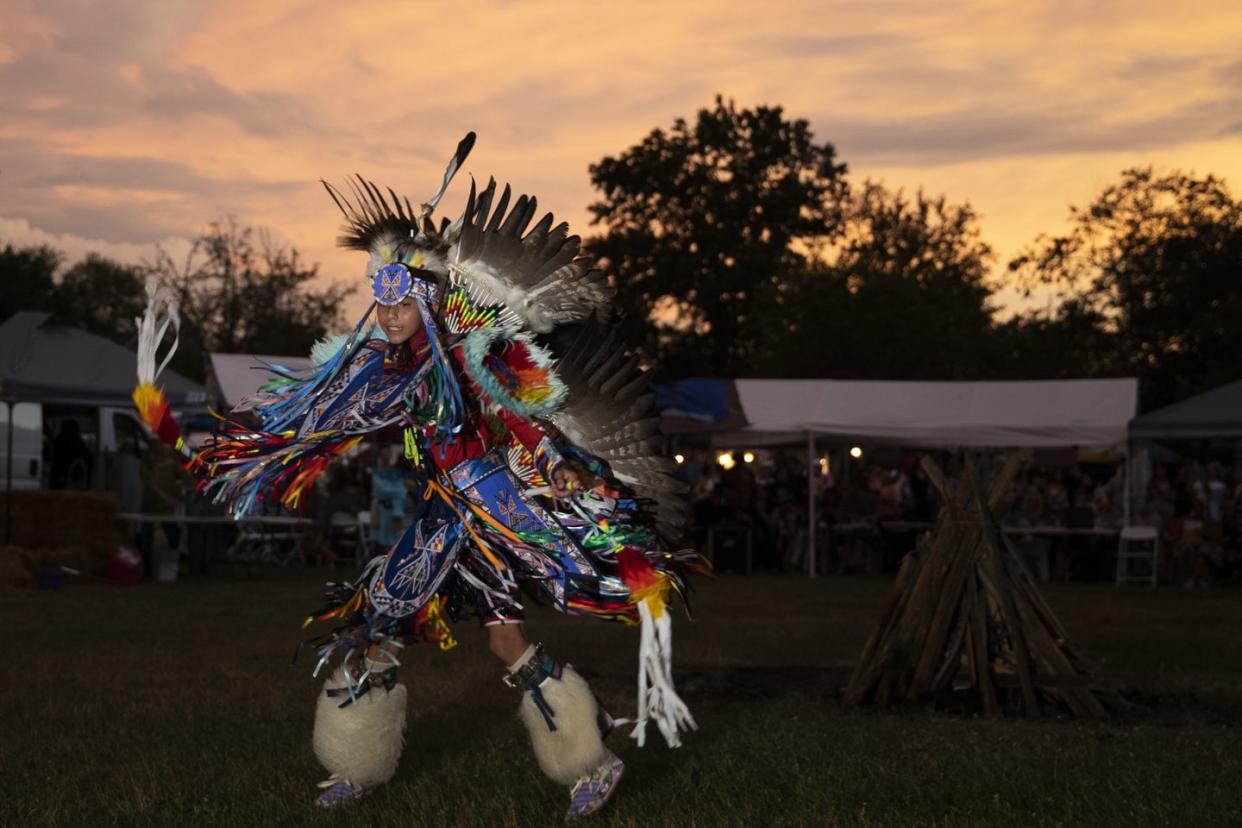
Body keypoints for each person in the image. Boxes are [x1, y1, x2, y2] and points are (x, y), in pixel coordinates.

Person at [131, 133, 702, 819]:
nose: (389, 312)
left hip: (493, 512)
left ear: (429, 298)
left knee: (447, 631)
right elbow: (303, 420)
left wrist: (567, 469)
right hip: (446, 517)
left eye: (400, 299)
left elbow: (527, 419)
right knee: (413, 629)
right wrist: (193, 437)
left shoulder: (474, 358)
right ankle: (361, 763)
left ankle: (586, 763)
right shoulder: (380, 370)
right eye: (381, 298)